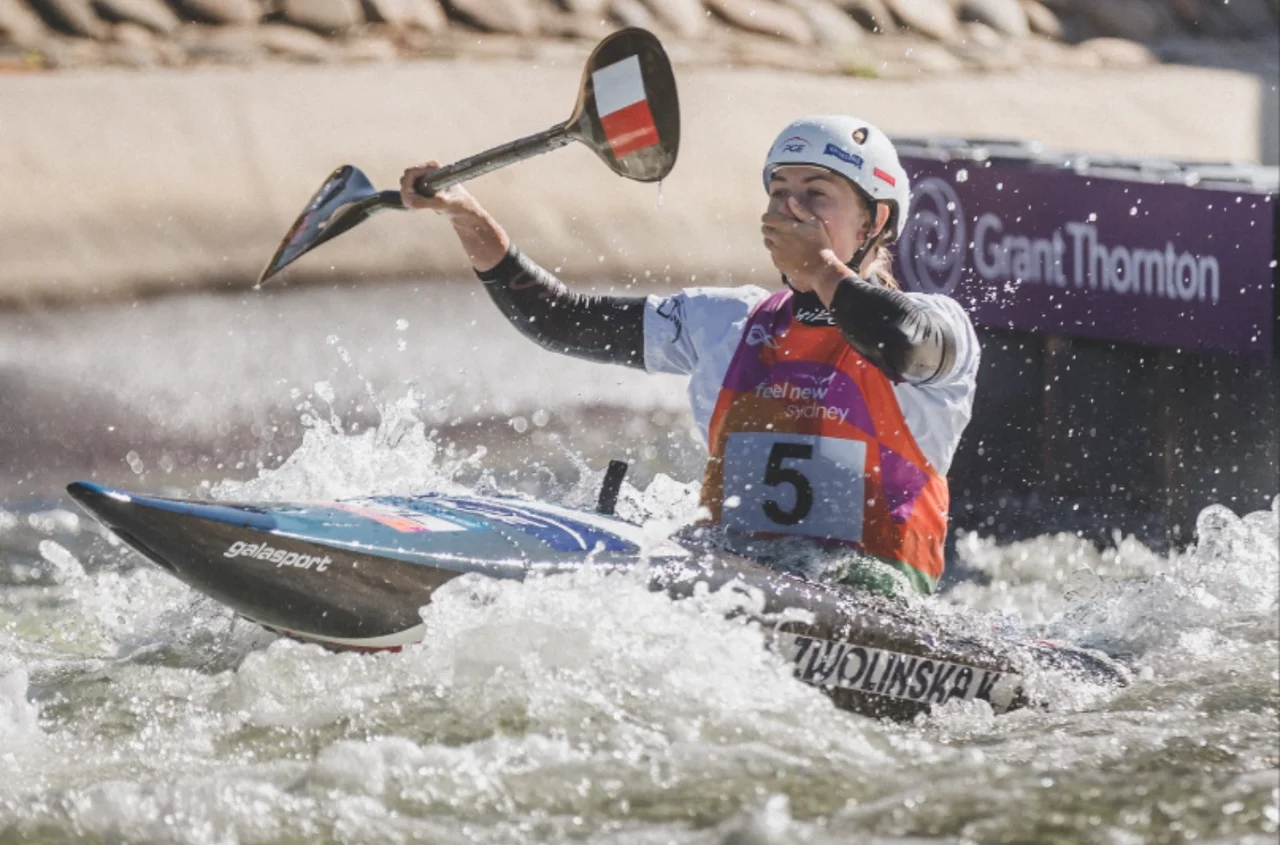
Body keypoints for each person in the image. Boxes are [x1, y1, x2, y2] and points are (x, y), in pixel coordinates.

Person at [400, 115, 979, 598]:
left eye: (816, 195)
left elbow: (901, 342)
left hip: (872, 602)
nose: (791, 211)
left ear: (874, 220)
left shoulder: (939, 329)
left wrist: (824, 267)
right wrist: (466, 217)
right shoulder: (726, 323)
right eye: (780, 193)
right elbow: (561, 320)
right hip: (733, 583)